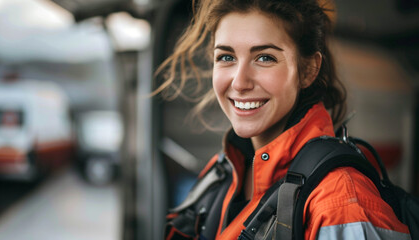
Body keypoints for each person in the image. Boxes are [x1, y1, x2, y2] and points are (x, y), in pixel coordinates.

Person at [156, 0, 411, 239]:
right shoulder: (221, 172)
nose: (240, 82)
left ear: (308, 70)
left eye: (264, 58)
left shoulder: (341, 199)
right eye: (226, 57)